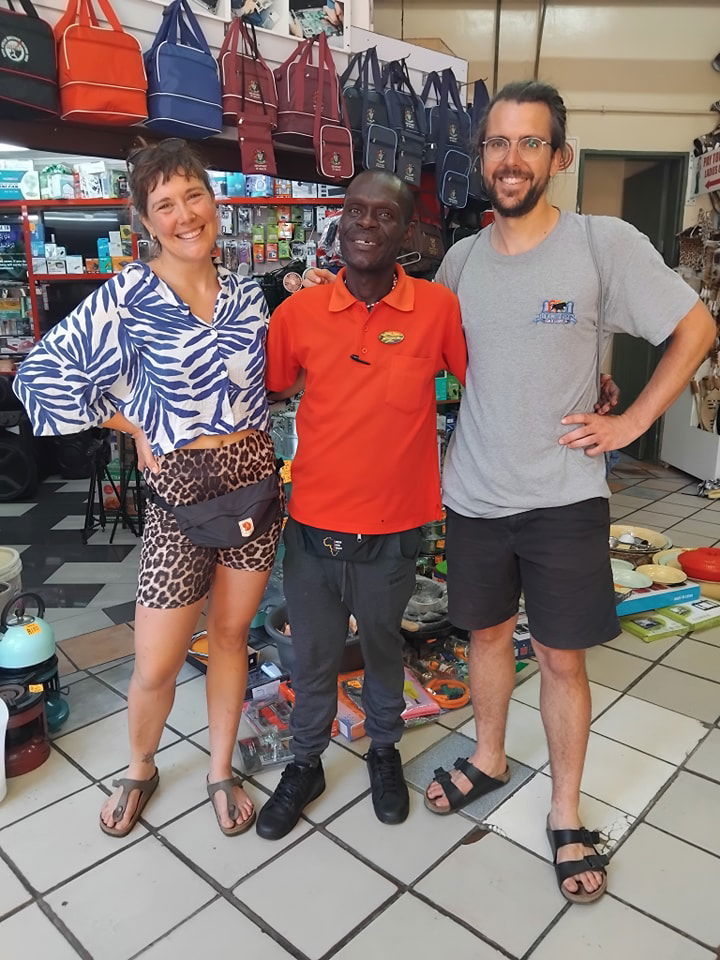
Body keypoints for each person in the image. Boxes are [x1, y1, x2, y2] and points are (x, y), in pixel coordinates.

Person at [303, 82, 714, 903]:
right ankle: (489, 759)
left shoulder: (602, 243)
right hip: (476, 493)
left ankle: (565, 811)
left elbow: (696, 327)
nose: (512, 158)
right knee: (487, 638)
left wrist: (631, 420)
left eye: (530, 142)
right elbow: (425, 355)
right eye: (498, 142)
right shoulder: (461, 261)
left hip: (563, 497)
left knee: (561, 658)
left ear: (558, 156)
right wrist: (332, 306)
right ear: (481, 156)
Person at [14, 139, 283, 838]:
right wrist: (131, 421)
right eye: (165, 204)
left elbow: (273, 381)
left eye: (194, 195)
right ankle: (139, 766)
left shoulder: (246, 292)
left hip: (254, 481)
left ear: (213, 201)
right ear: (144, 220)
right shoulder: (128, 297)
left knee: (231, 637)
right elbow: (40, 375)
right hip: (180, 492)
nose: (185, 214)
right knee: (158, 661)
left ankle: (220, 769)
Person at [257, 169, 467, 840]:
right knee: (314, 655)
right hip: (312, 526)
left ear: (408, 232)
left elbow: (488, 385)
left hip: (395, 527)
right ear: (339, 221)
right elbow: (265, 388)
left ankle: (383, 750)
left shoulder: (437, 309)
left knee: (381, 647)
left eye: (383, 215)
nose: (365, 224)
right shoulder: (300, 313)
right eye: (354, 211)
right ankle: (306, 763)